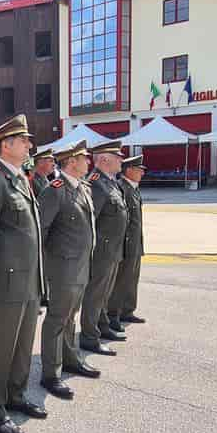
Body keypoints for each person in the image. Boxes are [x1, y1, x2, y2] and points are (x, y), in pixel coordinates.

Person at [0, 113, 47, 433]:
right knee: (1, 346)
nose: (30, 144)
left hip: (29, 278)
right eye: (25, 140)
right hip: (8, 279)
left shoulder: (20, 178)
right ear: (7, 144)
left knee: (23, 343)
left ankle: (16, 396)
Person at [37, 140, 100, 401]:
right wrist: (47, 268)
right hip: (63, 267)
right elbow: (41, 232)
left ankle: (70, 358)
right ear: (71, 162)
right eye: (84, 158)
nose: (89, 161)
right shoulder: (55, 190)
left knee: (71, 316)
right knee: (56, 319)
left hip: (82, 264)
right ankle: (50, 374)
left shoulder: (83, 188)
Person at [80, 139, 129, 356]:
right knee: (95, 294)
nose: (122, 160)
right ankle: (89, 337)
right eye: (117, 157)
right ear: (104, 159)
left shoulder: (111, 182)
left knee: (104, 293)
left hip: (113, 249)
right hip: (102, 251)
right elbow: (90, 221)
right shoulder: (96, 183)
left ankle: (101, 327)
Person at [109, 155, 147, 326]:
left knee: (132, 279)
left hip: (135, 243)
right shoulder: (121, 187)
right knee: (121, 281)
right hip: (125, 244)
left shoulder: (134, 188)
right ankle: (114, 314)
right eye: (139, 170)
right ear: (129, 170)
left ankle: (128, 310)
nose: (142, 173)